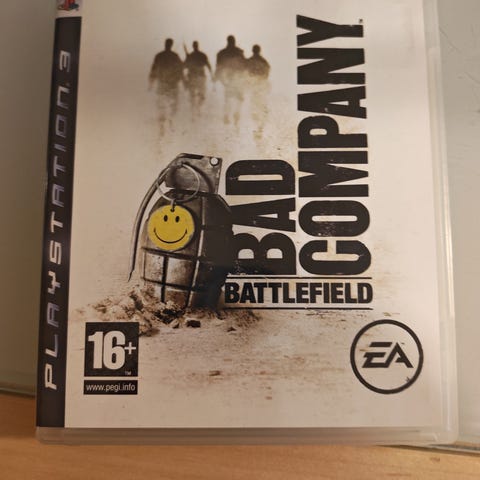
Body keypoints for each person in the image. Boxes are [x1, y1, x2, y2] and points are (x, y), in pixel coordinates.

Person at [149, 39, 184, 133]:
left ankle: (164, 124)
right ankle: (168, 122)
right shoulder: (174, 56)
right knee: (171, 105)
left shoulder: (160, 56)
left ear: (166, 44)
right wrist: (182, 80)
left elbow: (153, 70)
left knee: (163, 105)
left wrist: (151, 83)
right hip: (170, 84)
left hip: (164, 84)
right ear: (171, 45)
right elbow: (180, 69)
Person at [215, 35, 246, 125]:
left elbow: (218, 67)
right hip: (236, 78)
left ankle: (228, 115)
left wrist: (217, 77)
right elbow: (244, 65)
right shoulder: (239, 52)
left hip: (229, 78)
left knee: (229, 98)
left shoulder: (222, 53)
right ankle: (235, 115)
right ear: (233, 41)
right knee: (238, 98)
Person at [246, 44, 270, 140]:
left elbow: (246, 72)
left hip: (255, 85)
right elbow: (267, 71)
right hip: (261, 85)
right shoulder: (263, 61)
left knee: (255, 106)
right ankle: (260, 127)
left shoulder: (249, 61)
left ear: (253, 50)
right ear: (259, 50)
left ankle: (257, 127)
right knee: (262, 106)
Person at [184, 41, 212, 115]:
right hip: (199, 78)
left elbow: (184, 66)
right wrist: (212, 75)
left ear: (193, 46)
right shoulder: (202, 55)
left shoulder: (191, 56)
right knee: (200, 95)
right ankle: (197, 109)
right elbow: (209, 66)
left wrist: (187, 58)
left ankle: (195, 110)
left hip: (194, 78)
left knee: (193, 95)